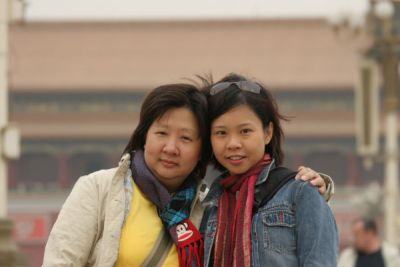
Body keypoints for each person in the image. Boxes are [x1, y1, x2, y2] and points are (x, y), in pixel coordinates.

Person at [42, 82, 334, 266]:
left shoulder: (204, 205)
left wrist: (317, 188)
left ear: (200, 149)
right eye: (161, 133)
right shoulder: (99, 190)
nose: (171, 147)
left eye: (186, 138)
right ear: (144, 136)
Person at [199, 73, 339, 267]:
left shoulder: (300, 193)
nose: (233, 143)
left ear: (267, 133)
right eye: (221, 133)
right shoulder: (210, 204)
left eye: (245, 131)